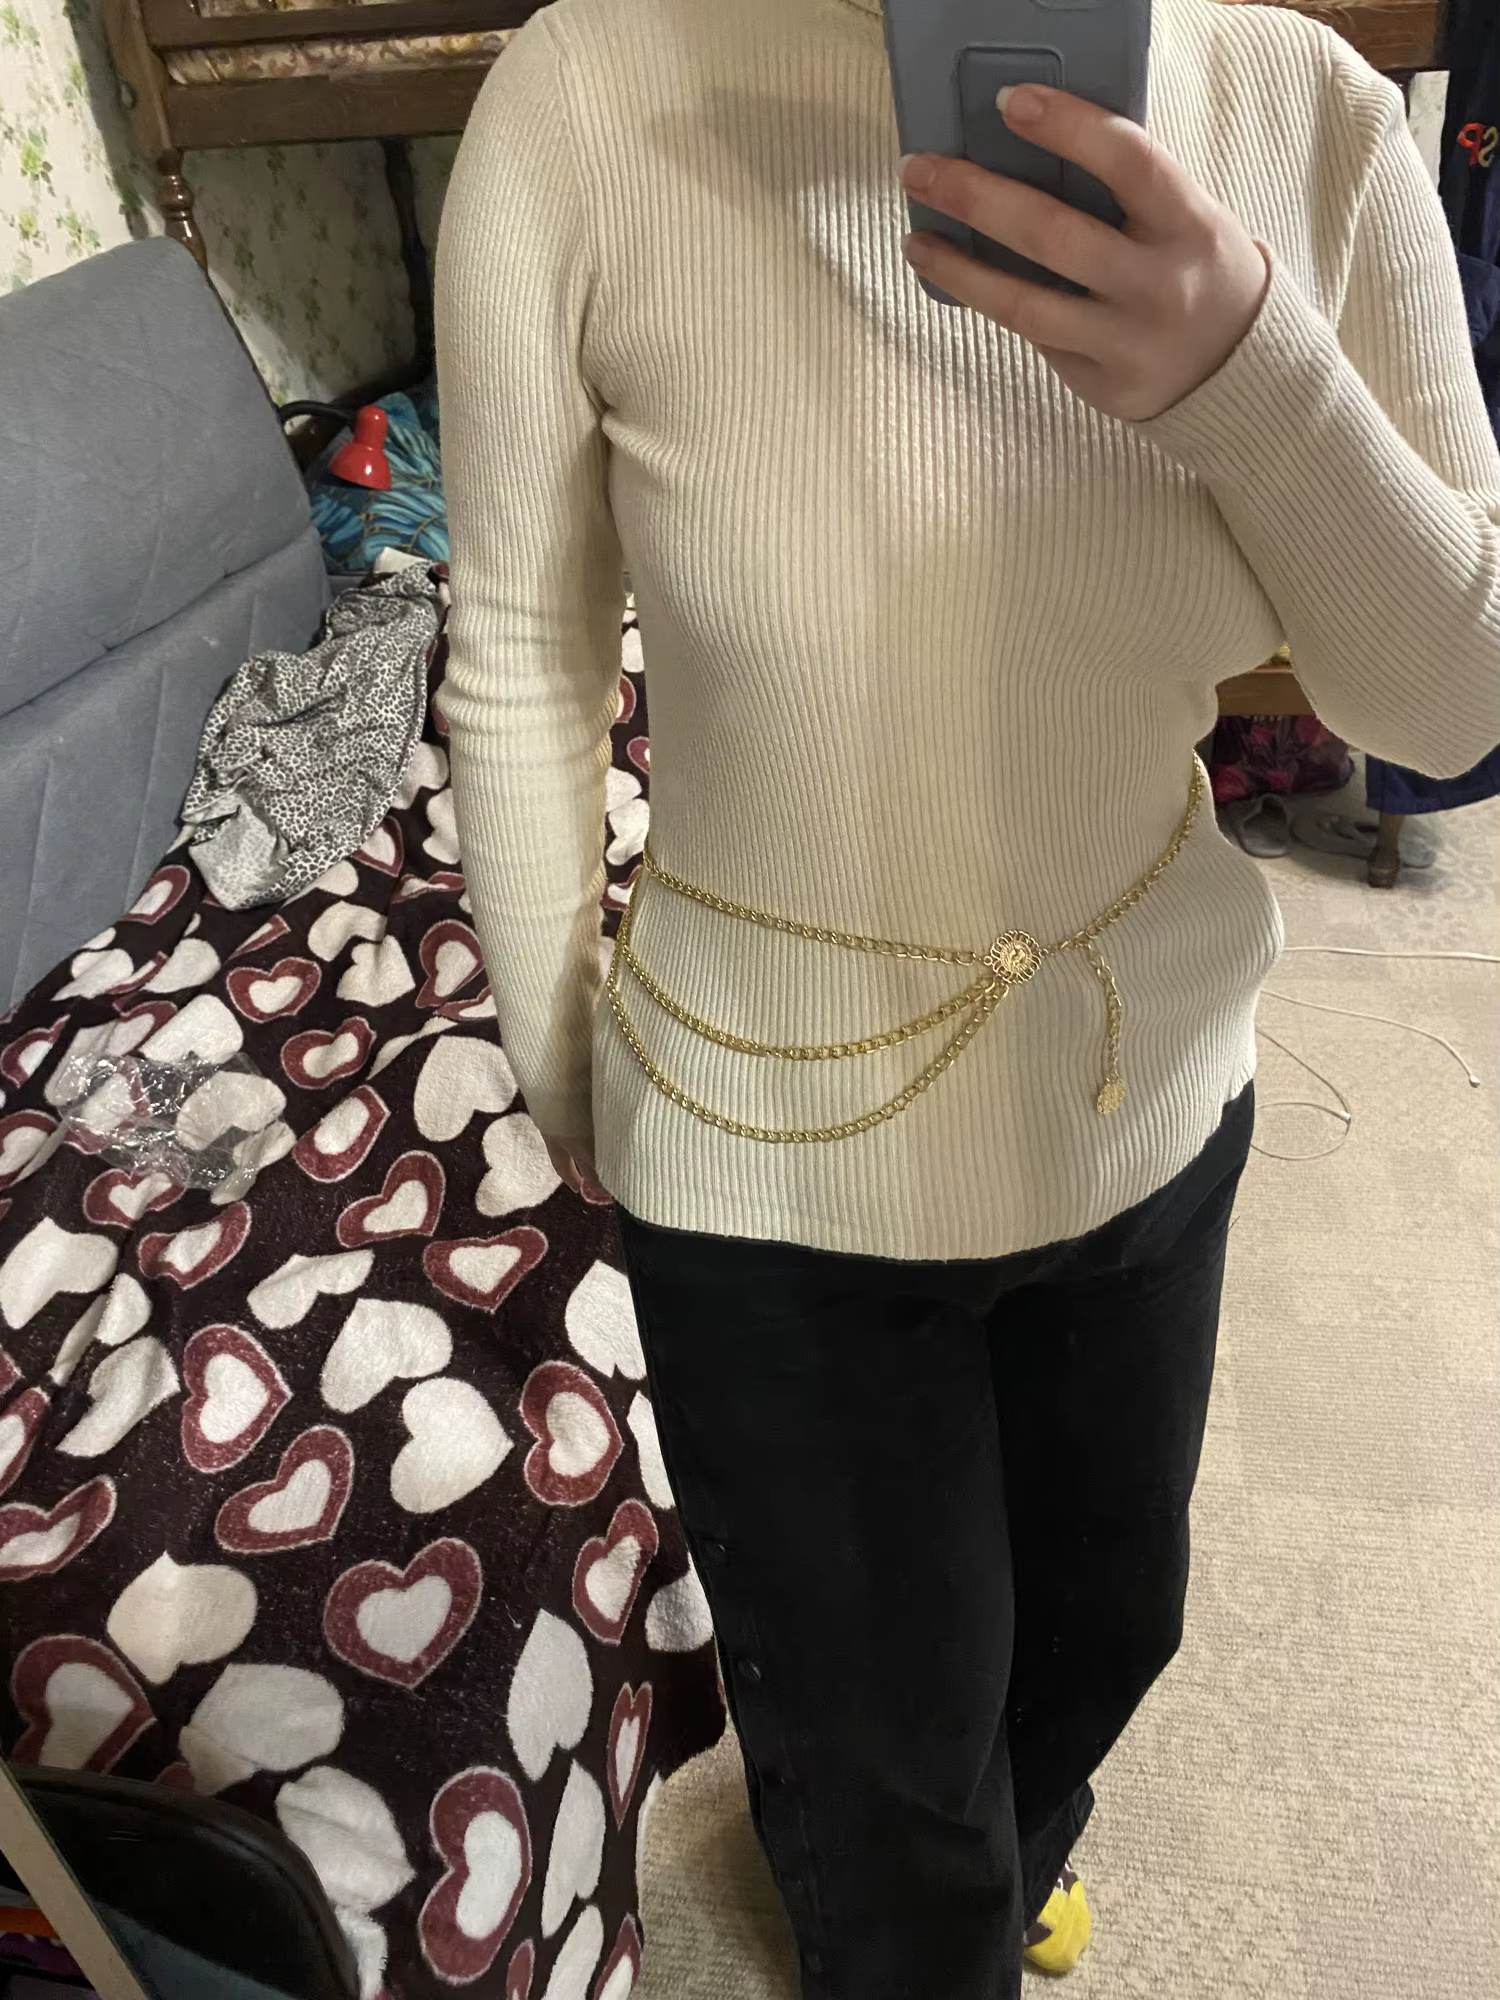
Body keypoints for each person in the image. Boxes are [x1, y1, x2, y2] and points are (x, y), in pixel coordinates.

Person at [434, 1, 1500, 1994]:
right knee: (884, 1763)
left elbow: (1449, 709)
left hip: (1145, 1084)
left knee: (1112, 1629)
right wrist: (570, 1066)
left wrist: (1251, 374)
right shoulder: (585, 91)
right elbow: (519, 636)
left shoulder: (1308, 113)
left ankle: (999, 1871)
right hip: (760, 1150)